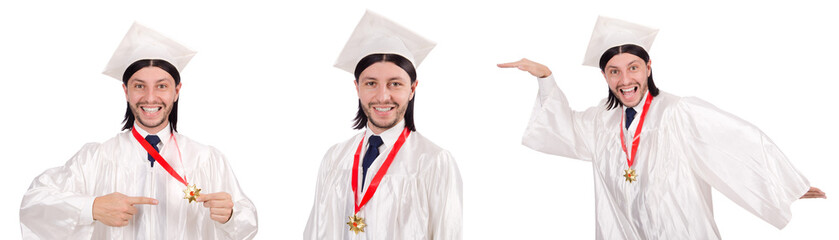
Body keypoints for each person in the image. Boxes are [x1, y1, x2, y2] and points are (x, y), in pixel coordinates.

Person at [497, 16, 826, 240]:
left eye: (633, 68)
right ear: (604, 76)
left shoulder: (677, 113)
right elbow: (561, 129)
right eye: (614, 71)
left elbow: (734, 143)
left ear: (649, 67)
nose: (625, 80)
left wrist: (784, 184)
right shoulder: (600, 121)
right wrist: (545, 78)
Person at [19, 22, 258, 239]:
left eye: (162, 86)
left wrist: (231, 215)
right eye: (139, 86)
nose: (150, 97)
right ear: (126, 91)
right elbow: (33, 204)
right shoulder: (96, 158)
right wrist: (91, 208)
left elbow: (248, 225)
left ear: (176, 91)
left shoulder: (206, 159)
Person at [304, 10, 463, 240]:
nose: (382, 96)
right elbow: (316, 232)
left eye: (395, 84)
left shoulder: (433, 162)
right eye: (371, 83)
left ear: (412, 89)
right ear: (357, 88)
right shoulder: (335, 158)